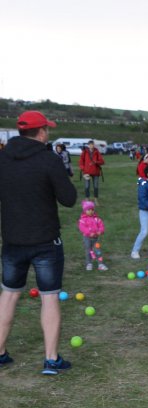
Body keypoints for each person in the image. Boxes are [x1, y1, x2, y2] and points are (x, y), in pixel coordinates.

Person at [0, 111, 77, 375]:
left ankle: (0, 352)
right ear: (41, 132)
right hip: (45, 241)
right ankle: (51, 359)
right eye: (47, 129)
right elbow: (69, 198)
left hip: (12, 241)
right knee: (49, 297)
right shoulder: (48, 160)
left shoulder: (2, 158)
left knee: (8, 295)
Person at [77, 200, 107, 271]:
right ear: (85, 210)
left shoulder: (97, 219)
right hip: (87, 238)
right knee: (88, 251)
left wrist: (100, 231)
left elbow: (101, 226)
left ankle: (101, 264)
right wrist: (89, 233)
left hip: (96, 238)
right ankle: (89, 263)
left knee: (98, 251)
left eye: (92, 209)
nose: (91, 211)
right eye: (88, 210)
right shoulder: (82, 220)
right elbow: (82, 228)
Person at [78, 140, 105, 204]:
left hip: (96, 172)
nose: (91, 146)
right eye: (90, 144)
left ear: (94, 145)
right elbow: (81, 161)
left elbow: (102, 162)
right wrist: (83, 168)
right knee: (87, 186)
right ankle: (87, 199)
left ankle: (96, 200)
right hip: (87, 172)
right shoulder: (85, 152)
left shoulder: (97, 152)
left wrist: (96, 162)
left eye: (92, 144)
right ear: (88, 145)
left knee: (96, 187)